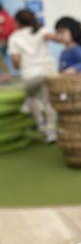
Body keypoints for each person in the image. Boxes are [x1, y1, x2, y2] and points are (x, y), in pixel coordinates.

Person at [8, 9, 58, 143]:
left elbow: (16, 64)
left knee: (31, 98)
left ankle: (41, 125)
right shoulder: (42, 31)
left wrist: (18, 62)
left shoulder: (14, 37)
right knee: (49, 102)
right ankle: (51, 131)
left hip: (31, 75)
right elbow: (54, 38)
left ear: (17, 22)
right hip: (49, 73)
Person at [0, 3, 16, 76]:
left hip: (8, 39)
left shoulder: (3, 16)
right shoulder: (5, 15)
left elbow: (6, 30)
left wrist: (3, 39)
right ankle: (6, 73)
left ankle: (7, 74)